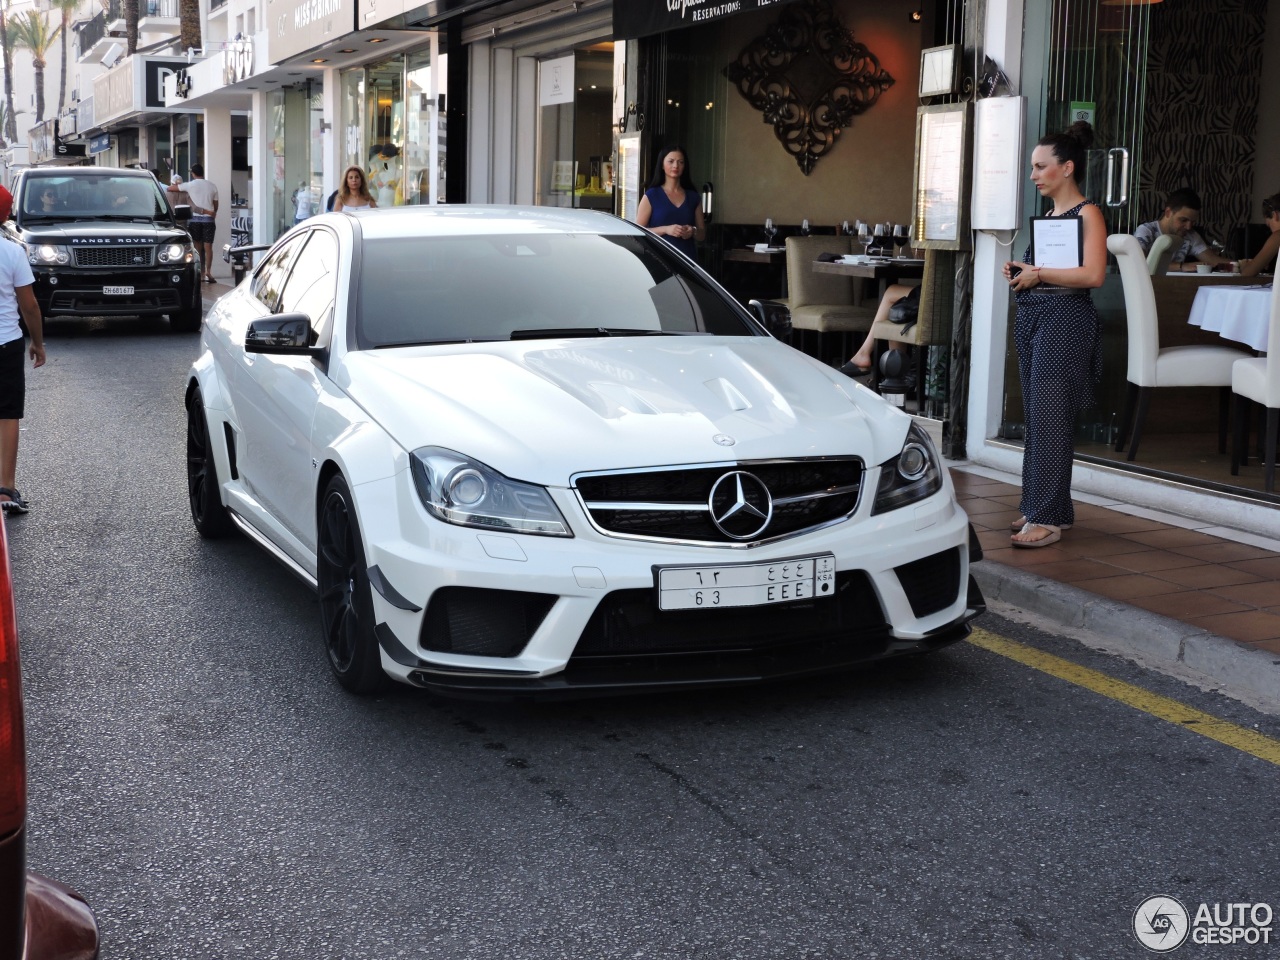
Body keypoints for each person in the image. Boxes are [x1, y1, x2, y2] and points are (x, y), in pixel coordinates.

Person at [1001, 120, 1107, 548]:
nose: (1033, 176)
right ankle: (1039, 504)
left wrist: (1038, 273)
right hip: (1037, 321)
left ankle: (1049, 518)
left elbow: (1093, 276)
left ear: (1067, 168)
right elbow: (1050, 274)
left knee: (1051, 418)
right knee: (1039, 417)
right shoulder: (1050, 216)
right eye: (1032, 167)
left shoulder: (1088, 213)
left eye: (1041, 167)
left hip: (1065, 325)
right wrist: (1023, 273)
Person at [0, 185, 45, 514]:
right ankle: (6, 489)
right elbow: (28, 305)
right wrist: (38, 343)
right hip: (6, 342)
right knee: (7, 414)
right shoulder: (12, 252)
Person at [1133, 187, 1233, 273]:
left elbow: (1213, 260)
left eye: (1192, 222)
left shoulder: (1190, 235)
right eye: (1183, 220)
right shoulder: (1146, 231)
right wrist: (1182, 266)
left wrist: (1240, 264)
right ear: (1168, 212)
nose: (1189, 227)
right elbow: (1138, 263)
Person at [634, 145, 704, 259]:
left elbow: (702, 234)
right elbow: (639, 232)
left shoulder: (693, 197)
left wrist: (693, 231)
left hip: (687, 261)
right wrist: (666, 229)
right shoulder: (651, 195)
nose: (675, 166)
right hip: (658, 260)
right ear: (662, 164)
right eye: (671, 161)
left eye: (680, 162)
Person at [838, 284, 918, 378]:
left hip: (932, 296)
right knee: (897, 305)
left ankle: (894, 374)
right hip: (936, 297)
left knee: (891, 292)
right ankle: (895, 374)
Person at [184, 163, 220, 284]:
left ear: (193, 174)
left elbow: (172, 188)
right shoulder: (212, 186)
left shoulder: (190, 185)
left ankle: (199, 272)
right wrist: (212, 212)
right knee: (208, 246)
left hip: (195, 219)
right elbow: (216, 205)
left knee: (197, 246)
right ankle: (208, 272)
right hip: (208, 220)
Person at [1237, 191, 1280, 278]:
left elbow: (1247, 273)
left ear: (1275, 215)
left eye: (1269, 225)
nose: (1271, 231)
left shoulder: (1277, 236)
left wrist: (1245, 266)